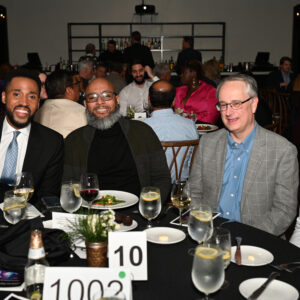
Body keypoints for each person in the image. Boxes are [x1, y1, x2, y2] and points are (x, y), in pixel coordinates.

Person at [189, 74, 299, 236]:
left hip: (260, 241)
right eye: (223, 105)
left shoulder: (282, 151)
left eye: (236, 104)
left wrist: (249, 238)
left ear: (254, 104)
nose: (228, 112)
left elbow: (284, 210)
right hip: (211, 235)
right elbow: (194, 192)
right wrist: (205, 227)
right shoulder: (208, 143)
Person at [63, 78, 171, 203]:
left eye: (107, 96)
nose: (100, 102)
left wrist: (149, 206)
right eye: (92, 98)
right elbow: (67, 185)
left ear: (117, 99)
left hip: (136, 213)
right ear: (85, 104)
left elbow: (161, 178)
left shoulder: (142, 132)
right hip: (91, 213)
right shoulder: (74, 140)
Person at [0, 68, 64, 205]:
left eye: (32, 96)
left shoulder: (52, 142)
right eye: (17, 94)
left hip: (27, 221)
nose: (24, 102)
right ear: (4, 97)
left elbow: (48, 196)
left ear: (38, 103)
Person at [144, 80, 199, 182]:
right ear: (174, 101)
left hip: (152, 189)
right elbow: (193, 162)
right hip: (181, 187)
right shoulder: (190, 125)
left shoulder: (141, 128)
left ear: (149, 100)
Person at [34, 70, 87, 138]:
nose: (79, 88)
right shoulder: (83, 113)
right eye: (77, 84)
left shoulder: (38, 112)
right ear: (69, 90)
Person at [173, 60, 220, 124]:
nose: (181, 75)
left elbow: (211, 117)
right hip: (179, 128)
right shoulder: (178, 91)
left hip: (202, 129)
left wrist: (188, 118)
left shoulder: (210, 91)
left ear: (193, 74)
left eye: (183, 73)